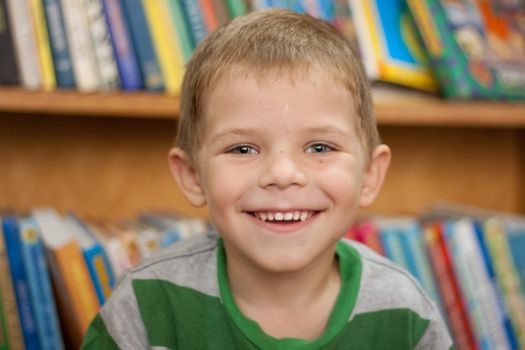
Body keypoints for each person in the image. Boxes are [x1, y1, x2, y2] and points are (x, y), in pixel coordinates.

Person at [81, 8, 453, 349]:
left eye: (320, 147)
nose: (282, 174)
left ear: (370, 175)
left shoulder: (405, 312)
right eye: (242, 149)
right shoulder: (148, 302)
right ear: (193, 176)